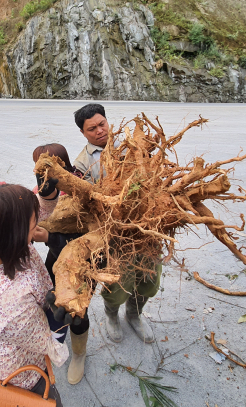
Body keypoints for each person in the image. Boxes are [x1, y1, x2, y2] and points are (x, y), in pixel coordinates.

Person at [0, 184, 68, 406]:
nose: (37, 228)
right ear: (16, 233)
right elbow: (45, 344)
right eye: (34, 225)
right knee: (43, 398)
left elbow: (35, 213)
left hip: (2, 344)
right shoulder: (10, 305)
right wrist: (58, 323)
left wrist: (47, 195)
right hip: (23, 373)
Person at [73, 103, 160, 344]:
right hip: (114, 235)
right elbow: (84, 203)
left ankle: (134, 315)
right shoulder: (82, 165)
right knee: (118, 286)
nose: (99, 131)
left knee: (150, 282)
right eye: (92, 129)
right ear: (83, 133)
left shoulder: (128, 145)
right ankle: (112, 316)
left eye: (102, 124)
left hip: (146, 228)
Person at [32, 144, 89, 385]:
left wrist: (49, 237)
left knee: (77, 309)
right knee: (52, 301)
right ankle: (52, 341)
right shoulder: (42, 190)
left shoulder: (82, 191)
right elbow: (40, 215)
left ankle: (79, 354)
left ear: (62, 164)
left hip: (81, 261)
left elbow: (86, 239)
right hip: (54, 257)